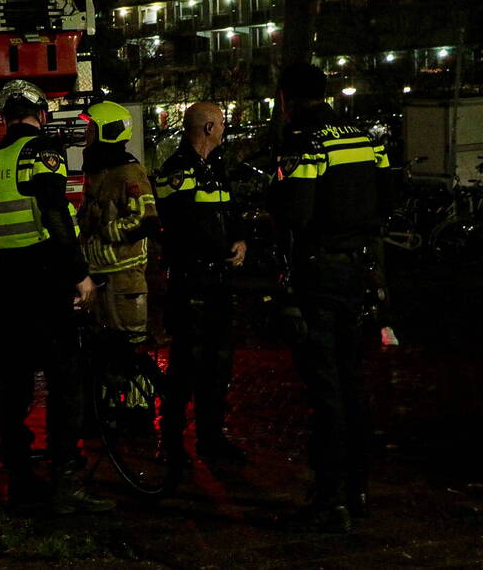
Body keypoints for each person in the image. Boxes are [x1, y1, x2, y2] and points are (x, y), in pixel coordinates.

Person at [0, 79, 114, 514]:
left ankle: (18, 478)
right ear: (41, 115)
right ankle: (65, 482)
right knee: (63, 380)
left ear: (4, 117)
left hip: (4, 286)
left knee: (13, 384)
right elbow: (56, 215)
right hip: (43, 280)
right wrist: (80, 275)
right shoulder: (43, 152)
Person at [269, 62, 390, 533]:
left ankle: (329, 497)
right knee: (354, 380)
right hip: (357, 269)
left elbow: (296, 214)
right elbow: (386, 201)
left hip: (319, 273)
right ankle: (359, 489)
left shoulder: (304, 139)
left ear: (287, 99)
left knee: (325, 388)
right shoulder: (366, 137)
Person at [154, 101, 247, 465]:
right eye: (221, 123)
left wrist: (240, 240)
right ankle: (172, 441)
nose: (225, 129)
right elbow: (182, 227)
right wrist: (221, 247)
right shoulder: (177, 171)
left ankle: (211, 438)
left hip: (218, 281)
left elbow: (230, 212)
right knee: (185, 365)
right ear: (208, 127)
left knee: (218, 364)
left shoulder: (217, 169)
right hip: (192, 281)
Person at [78, 100, 160, 343]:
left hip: (124, 279)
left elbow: (145, 220)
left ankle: (142, 383)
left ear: (108, 131)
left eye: (91, 129)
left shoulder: (129, 171)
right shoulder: (97, 171)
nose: (86, 135)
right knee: (103, 352)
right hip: (98, 277)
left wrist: (104, 229)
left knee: (129, 350)